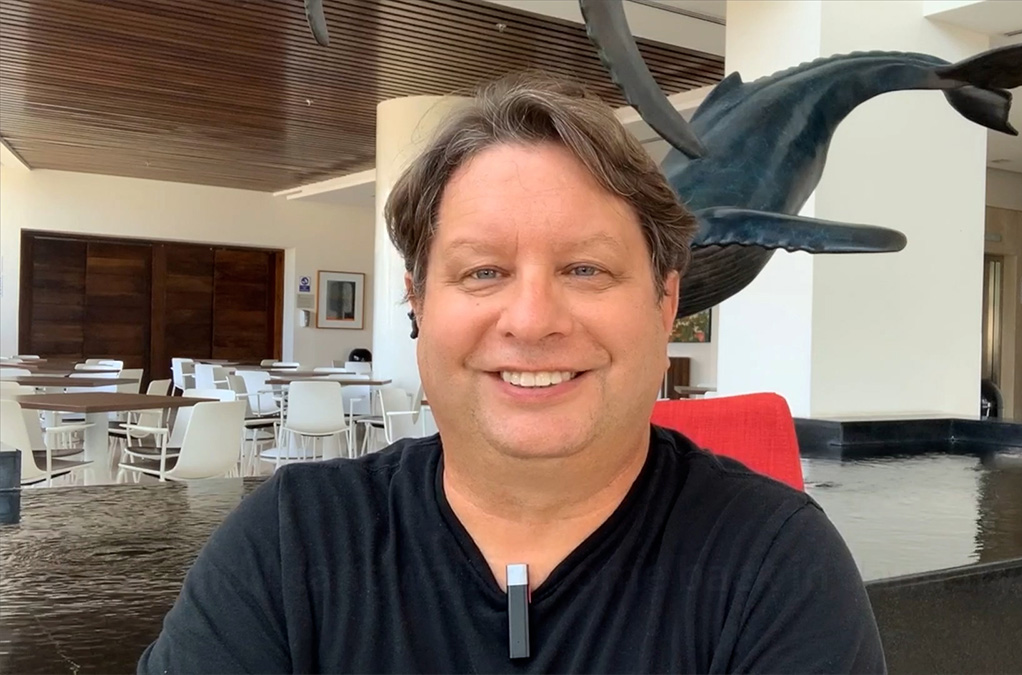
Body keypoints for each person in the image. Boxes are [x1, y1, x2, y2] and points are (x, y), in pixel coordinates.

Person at [138, 72, 886, 674]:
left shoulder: (774, 564)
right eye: (483, 271)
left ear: (665, 303)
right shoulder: (290, 545)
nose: (531, 321)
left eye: (586, 268)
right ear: (419, 304)